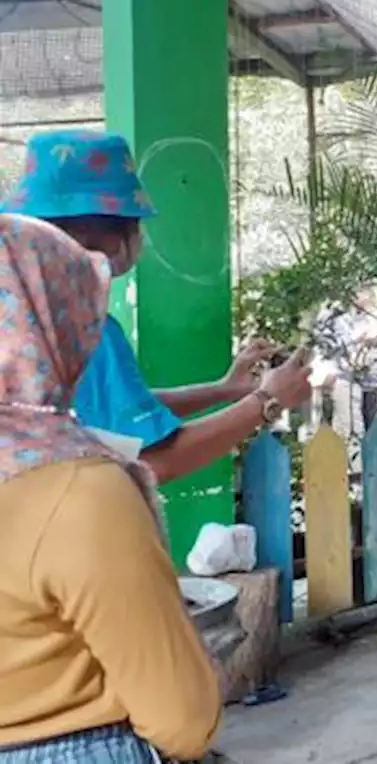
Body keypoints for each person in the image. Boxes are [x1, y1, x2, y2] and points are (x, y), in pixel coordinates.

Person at [0, 214, 222, 761]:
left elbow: (140, 412)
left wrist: (230, 388)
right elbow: (183, 722)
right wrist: (262, 403)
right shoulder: (75, 490)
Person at [2, 130, 312, 483]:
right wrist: (269, 400)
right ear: (103, 243)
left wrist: (225, 389)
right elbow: (155, 461)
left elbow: (116, 412)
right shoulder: (86, 327)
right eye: (137, 225)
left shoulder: (20, 321)